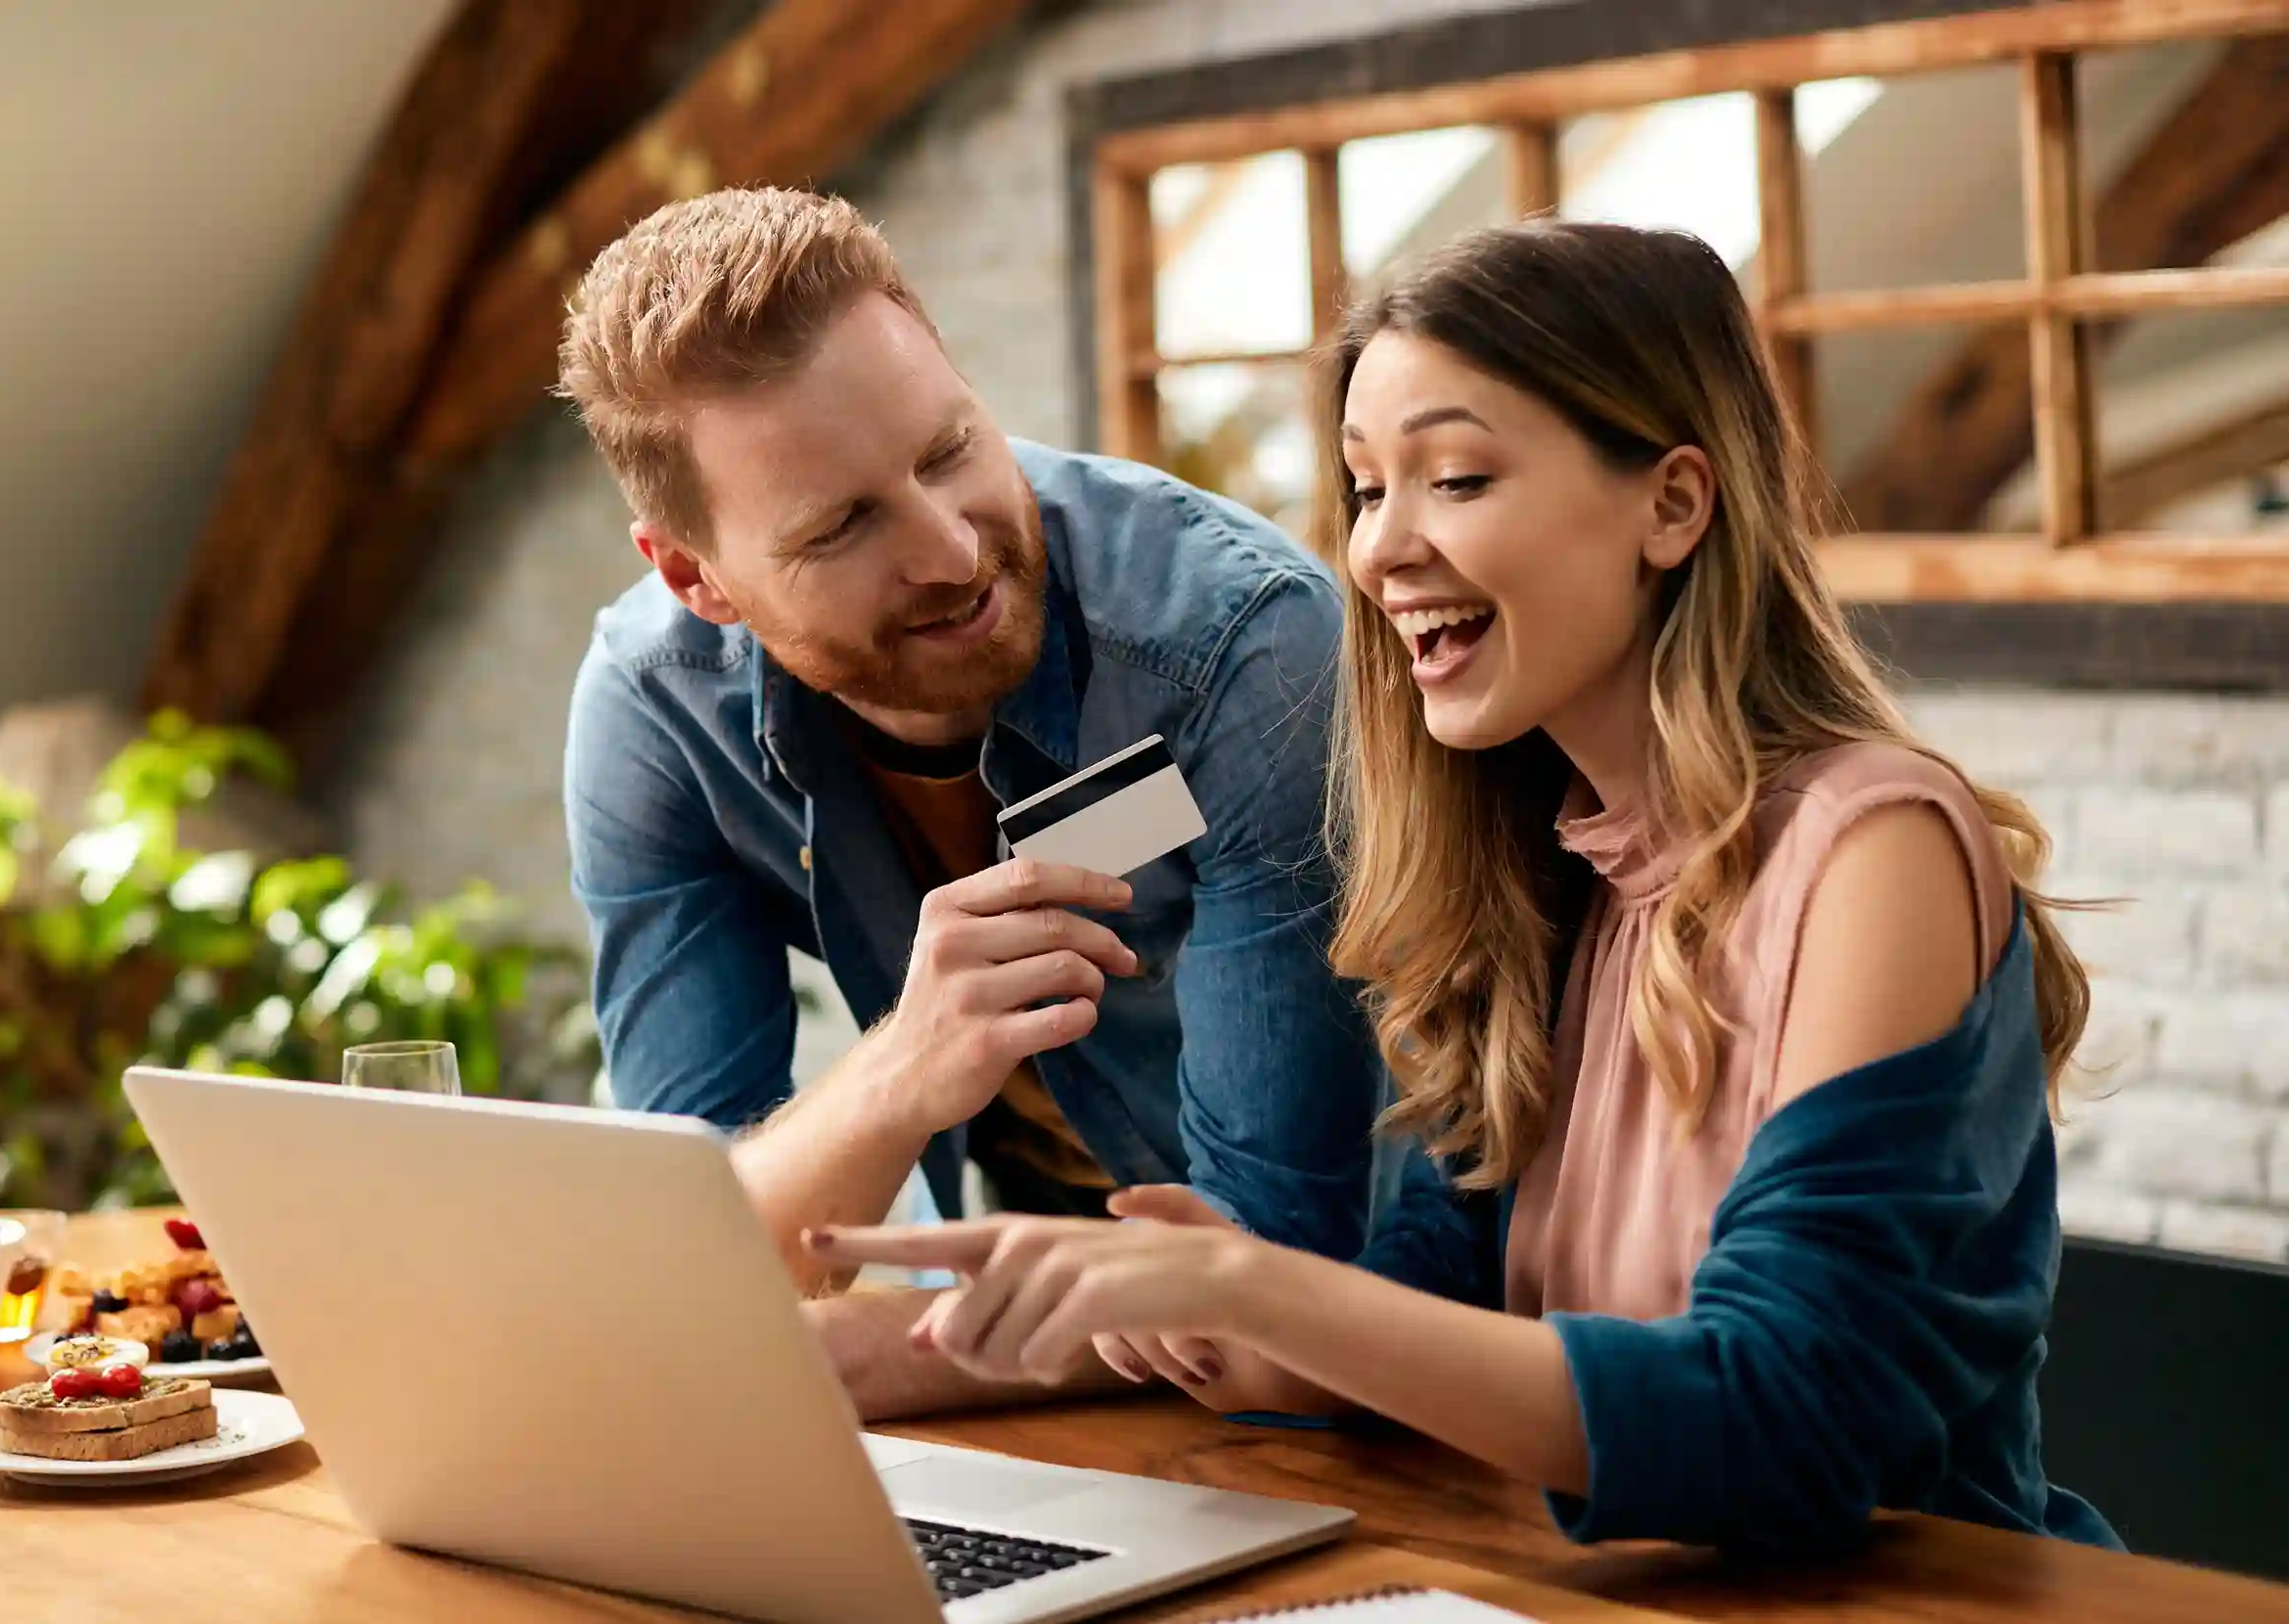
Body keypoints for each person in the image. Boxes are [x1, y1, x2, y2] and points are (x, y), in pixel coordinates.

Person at [809, 221, 2119, 1556]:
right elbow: (1436, 1314)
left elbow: (1784, 1416)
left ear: (1672, 504)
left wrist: (1263, 1289)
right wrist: (1209, 1319)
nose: (1378, 552)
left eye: (1455, 477)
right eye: (1367, 490)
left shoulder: (1871, 846)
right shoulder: (1542, 880)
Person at [557, 187, 1387, 1421]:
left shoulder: (1238, 648)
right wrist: (902, 1069)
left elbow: (1276, 1271)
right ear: (695, 576)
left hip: (1381, 1375)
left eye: (949, 449)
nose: (950, 550)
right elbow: (699, 1247)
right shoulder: (658, 711)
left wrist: (874, 1357)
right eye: (843, 525)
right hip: (1066, 1370)